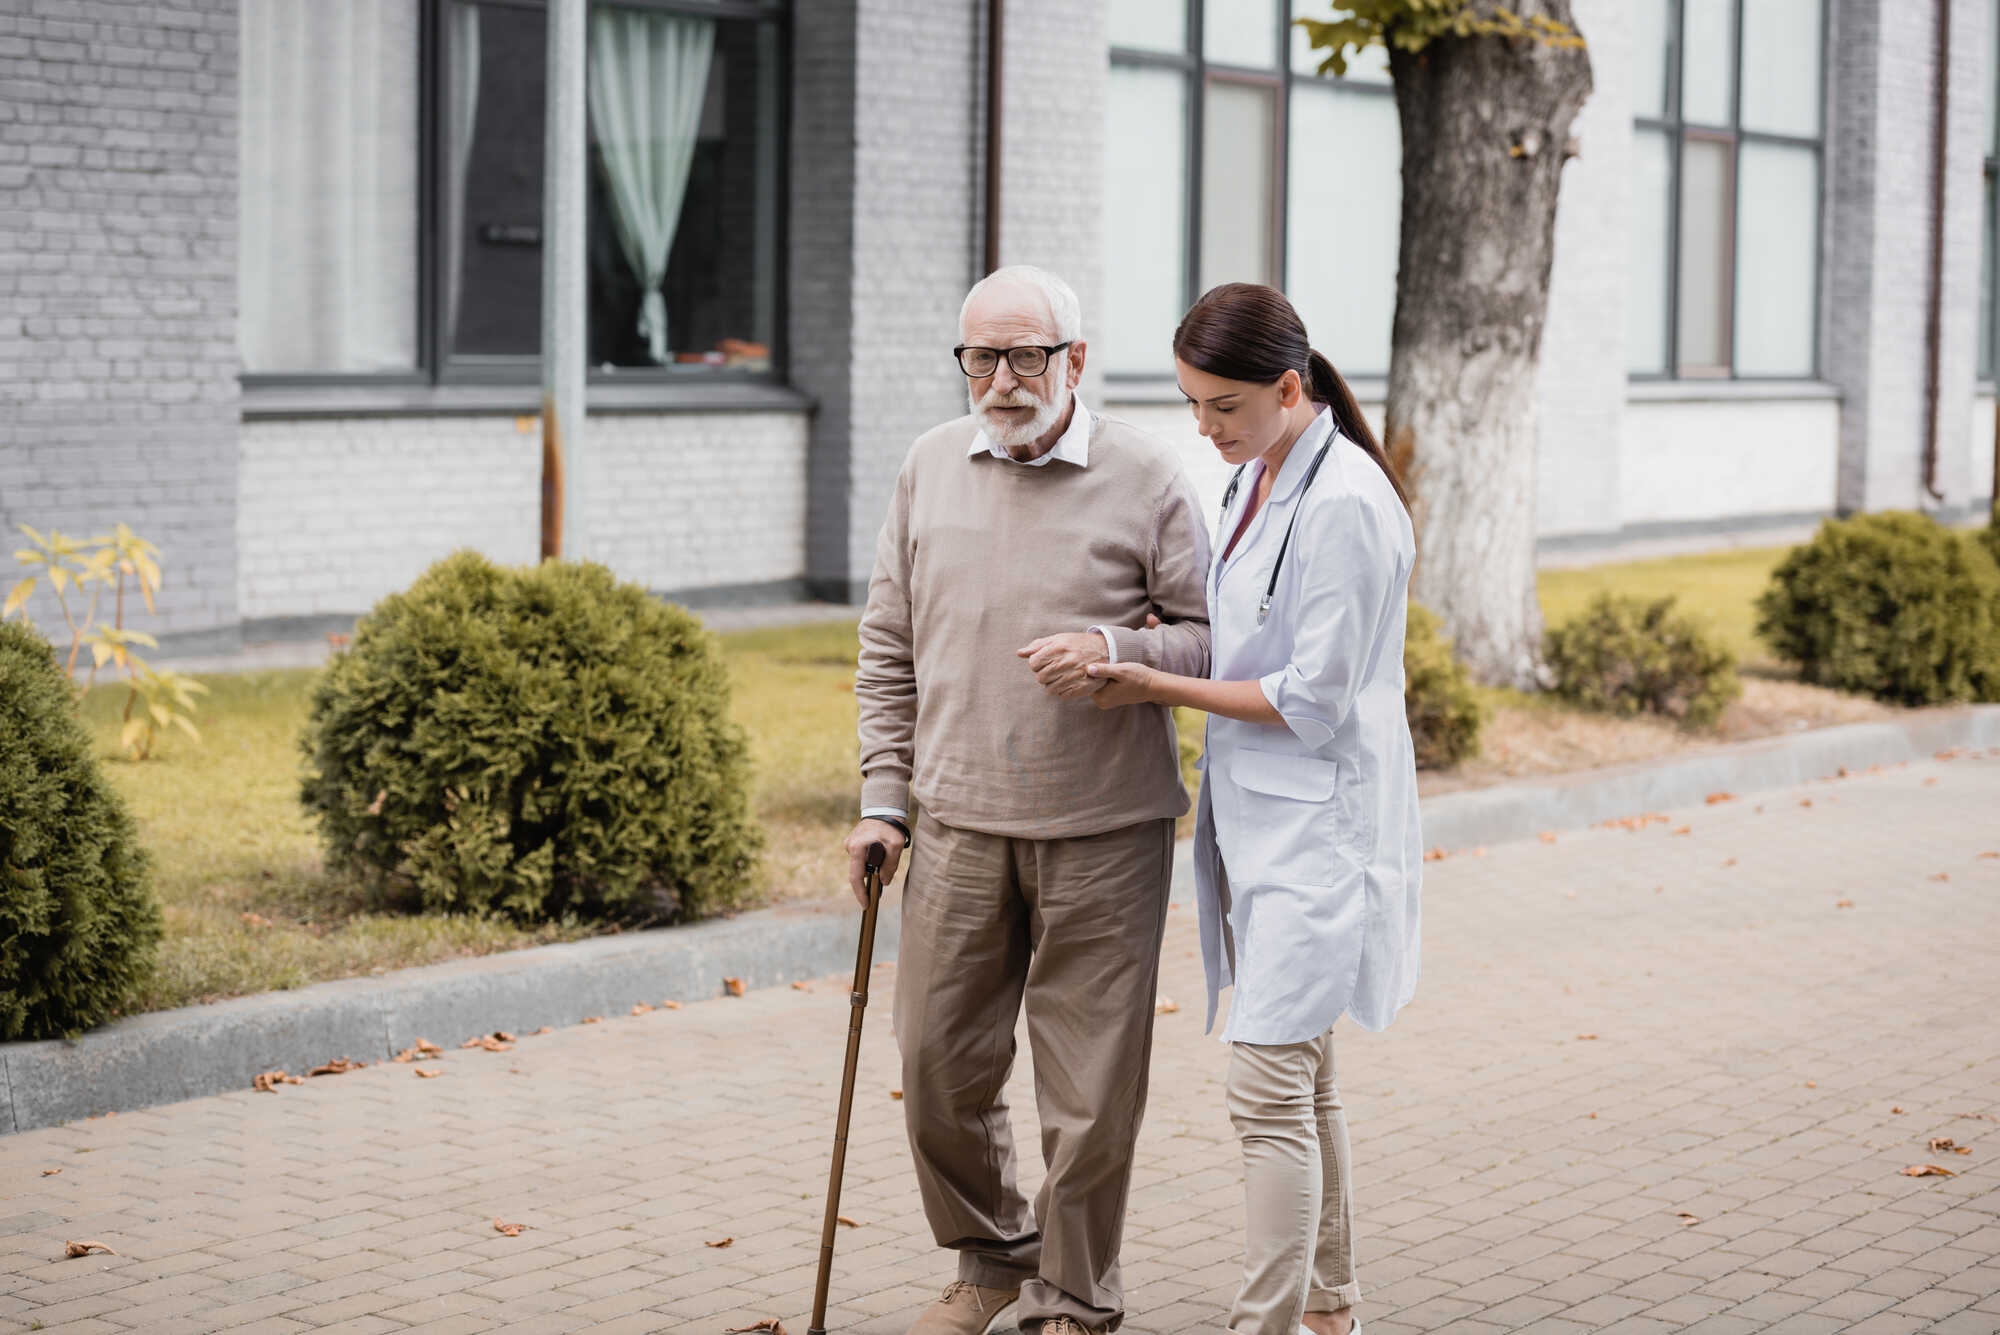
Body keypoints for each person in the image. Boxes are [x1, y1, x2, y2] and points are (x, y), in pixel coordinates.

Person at [844, 265, 1213, 1335]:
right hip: (956, 822)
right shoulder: (926, 467)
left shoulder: (1147, 473)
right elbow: (886, 650)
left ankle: (1075, 1292)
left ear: (1074, 362)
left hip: (1105, 829)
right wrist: (883, 801)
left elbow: (1210, 637)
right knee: (935, 1068)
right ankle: (992, 1254)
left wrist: (1116, 648)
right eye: (979, 359)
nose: (1001, 382)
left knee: (1090, 1094)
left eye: (1024, 358)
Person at [1086, 283, 1423, 1335]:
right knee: (1302, 1081)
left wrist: (1152, 687)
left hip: (1321, 835)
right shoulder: (1256, 480)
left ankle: (1264, 1323)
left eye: (1221, 406)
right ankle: (1328, 1310)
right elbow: (1246, 632)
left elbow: (1311, 698)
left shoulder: (1346, 506)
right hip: (1260, 826)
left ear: (1288, 387)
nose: (1203, 428)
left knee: (1265, 1087)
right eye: (1190, 404)